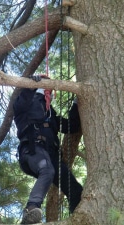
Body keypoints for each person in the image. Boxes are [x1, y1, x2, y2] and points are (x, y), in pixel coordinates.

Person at [13, 75, 83, 224]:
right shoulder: (23, 106)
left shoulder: (51, 115)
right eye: (46, 92)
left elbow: (71, 126)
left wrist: (77, 102)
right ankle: (31, 209)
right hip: (33, 151)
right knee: (47, 170)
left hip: (51, 157)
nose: (49, 95)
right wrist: (32, 83)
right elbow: (23, 100)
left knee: (76, 191)